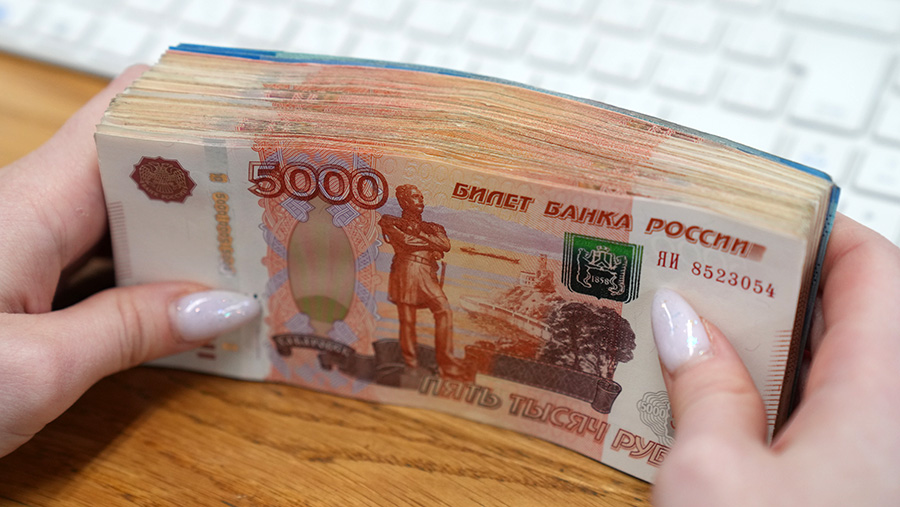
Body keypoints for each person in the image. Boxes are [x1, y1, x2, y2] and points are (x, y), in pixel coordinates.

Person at [1, 67, 898, 506]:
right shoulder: (406, 226)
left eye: (416, 198)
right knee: (412, 331)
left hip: (426, 282)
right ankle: (418, 361)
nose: (413, 202)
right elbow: (405, 231)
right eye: (410, 197)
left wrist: (427, 236)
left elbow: (422, 230)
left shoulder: (420, 225)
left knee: (436, 329)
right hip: (406, 281)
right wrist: (415, 233)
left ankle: (434, 359)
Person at [379, 184, 466, 379]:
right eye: (415, 197)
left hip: (428, 273)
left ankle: (446, 363)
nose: (421, 200)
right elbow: (406, 242)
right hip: (406, 270)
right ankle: (411, 365)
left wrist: (418, 233)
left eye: (421, 196)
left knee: (444, 310)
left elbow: (445, 245)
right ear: (404, 201)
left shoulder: (434, 226)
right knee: (407, 320)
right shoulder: (390, 221)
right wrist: (431, 245)